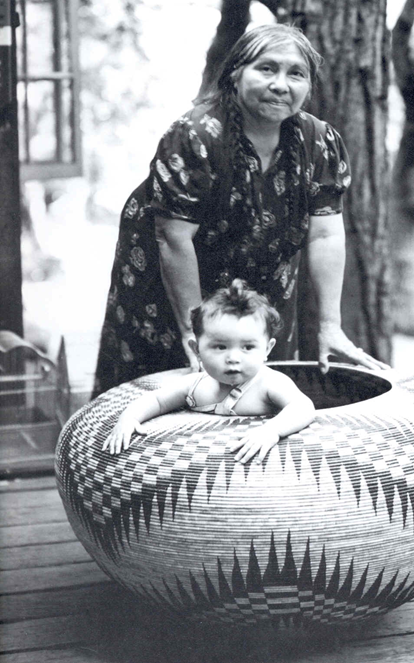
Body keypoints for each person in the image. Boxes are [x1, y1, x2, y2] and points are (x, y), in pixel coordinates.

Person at [92, 23, 388, 398]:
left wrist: (330, 325)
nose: (280, 85)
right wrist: (194, 332)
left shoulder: (320, 142)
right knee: (173, 392)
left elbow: (325, 234)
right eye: (267, 68)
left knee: (260, 391)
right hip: (176, 283)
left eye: (296, 74)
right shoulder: (195, 135)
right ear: (235, 73)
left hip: (263, 284)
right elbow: (173, 238)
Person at [102, 279, 315, 464]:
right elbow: (157, 400)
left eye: (248, 347)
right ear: (197, 350)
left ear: (267, 349)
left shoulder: (268, 383)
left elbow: (303, 406)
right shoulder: (195, 385)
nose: (233, 357)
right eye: (220, 347)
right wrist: (129, 418)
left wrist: (272, 430)